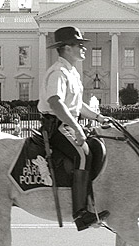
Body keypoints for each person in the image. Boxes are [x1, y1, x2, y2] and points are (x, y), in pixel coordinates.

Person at [38, 26, 110, 231]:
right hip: (56, 126)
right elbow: (55, 102)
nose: (84, 48)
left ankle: (90, 199)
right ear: (67, 48)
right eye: (80, 45)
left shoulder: (72, 73)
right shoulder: (58, 72)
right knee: (83, 153)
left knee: (97, 146)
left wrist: (99, 117)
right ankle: (80, 214)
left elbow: (77, 105)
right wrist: (76, 127)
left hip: (66, 123)